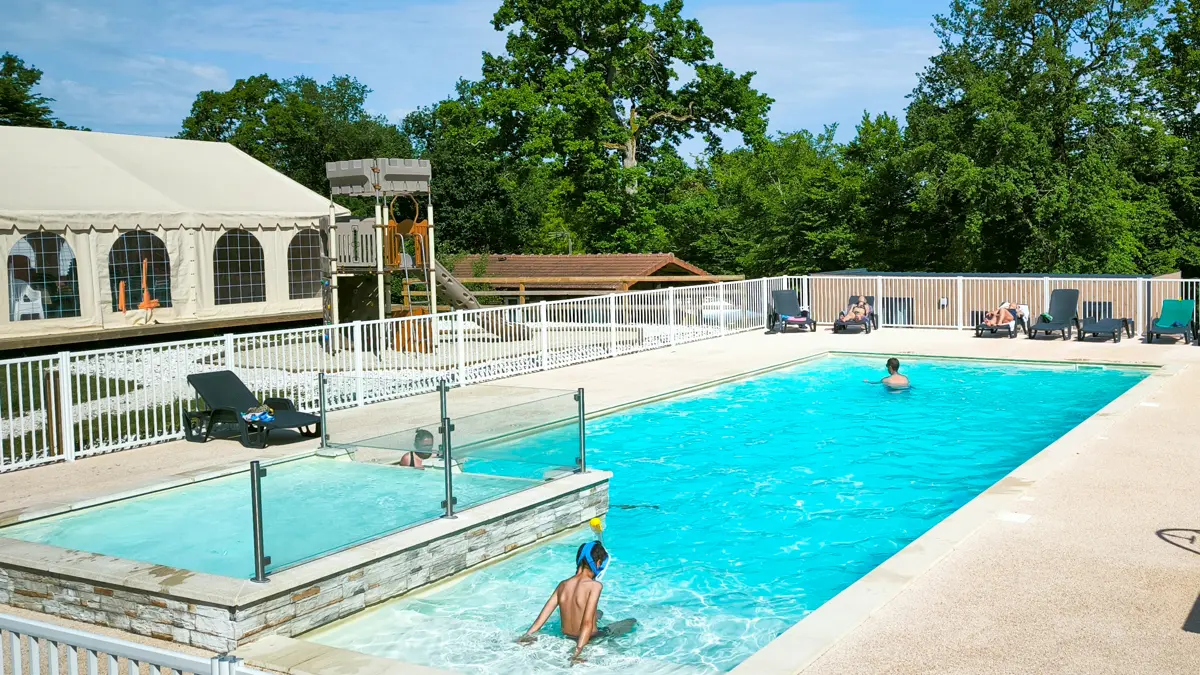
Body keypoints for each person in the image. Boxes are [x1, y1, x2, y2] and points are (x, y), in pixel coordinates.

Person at [517, 541, 636, 664]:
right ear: (598, 563)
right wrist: (577, 652)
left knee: (598, 613)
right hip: (589, 638)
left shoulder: (562, 585)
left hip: (567, 635)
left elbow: (540, 620)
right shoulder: (595, 586)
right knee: (631, 622)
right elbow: (587, 623)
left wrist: (527, 635)